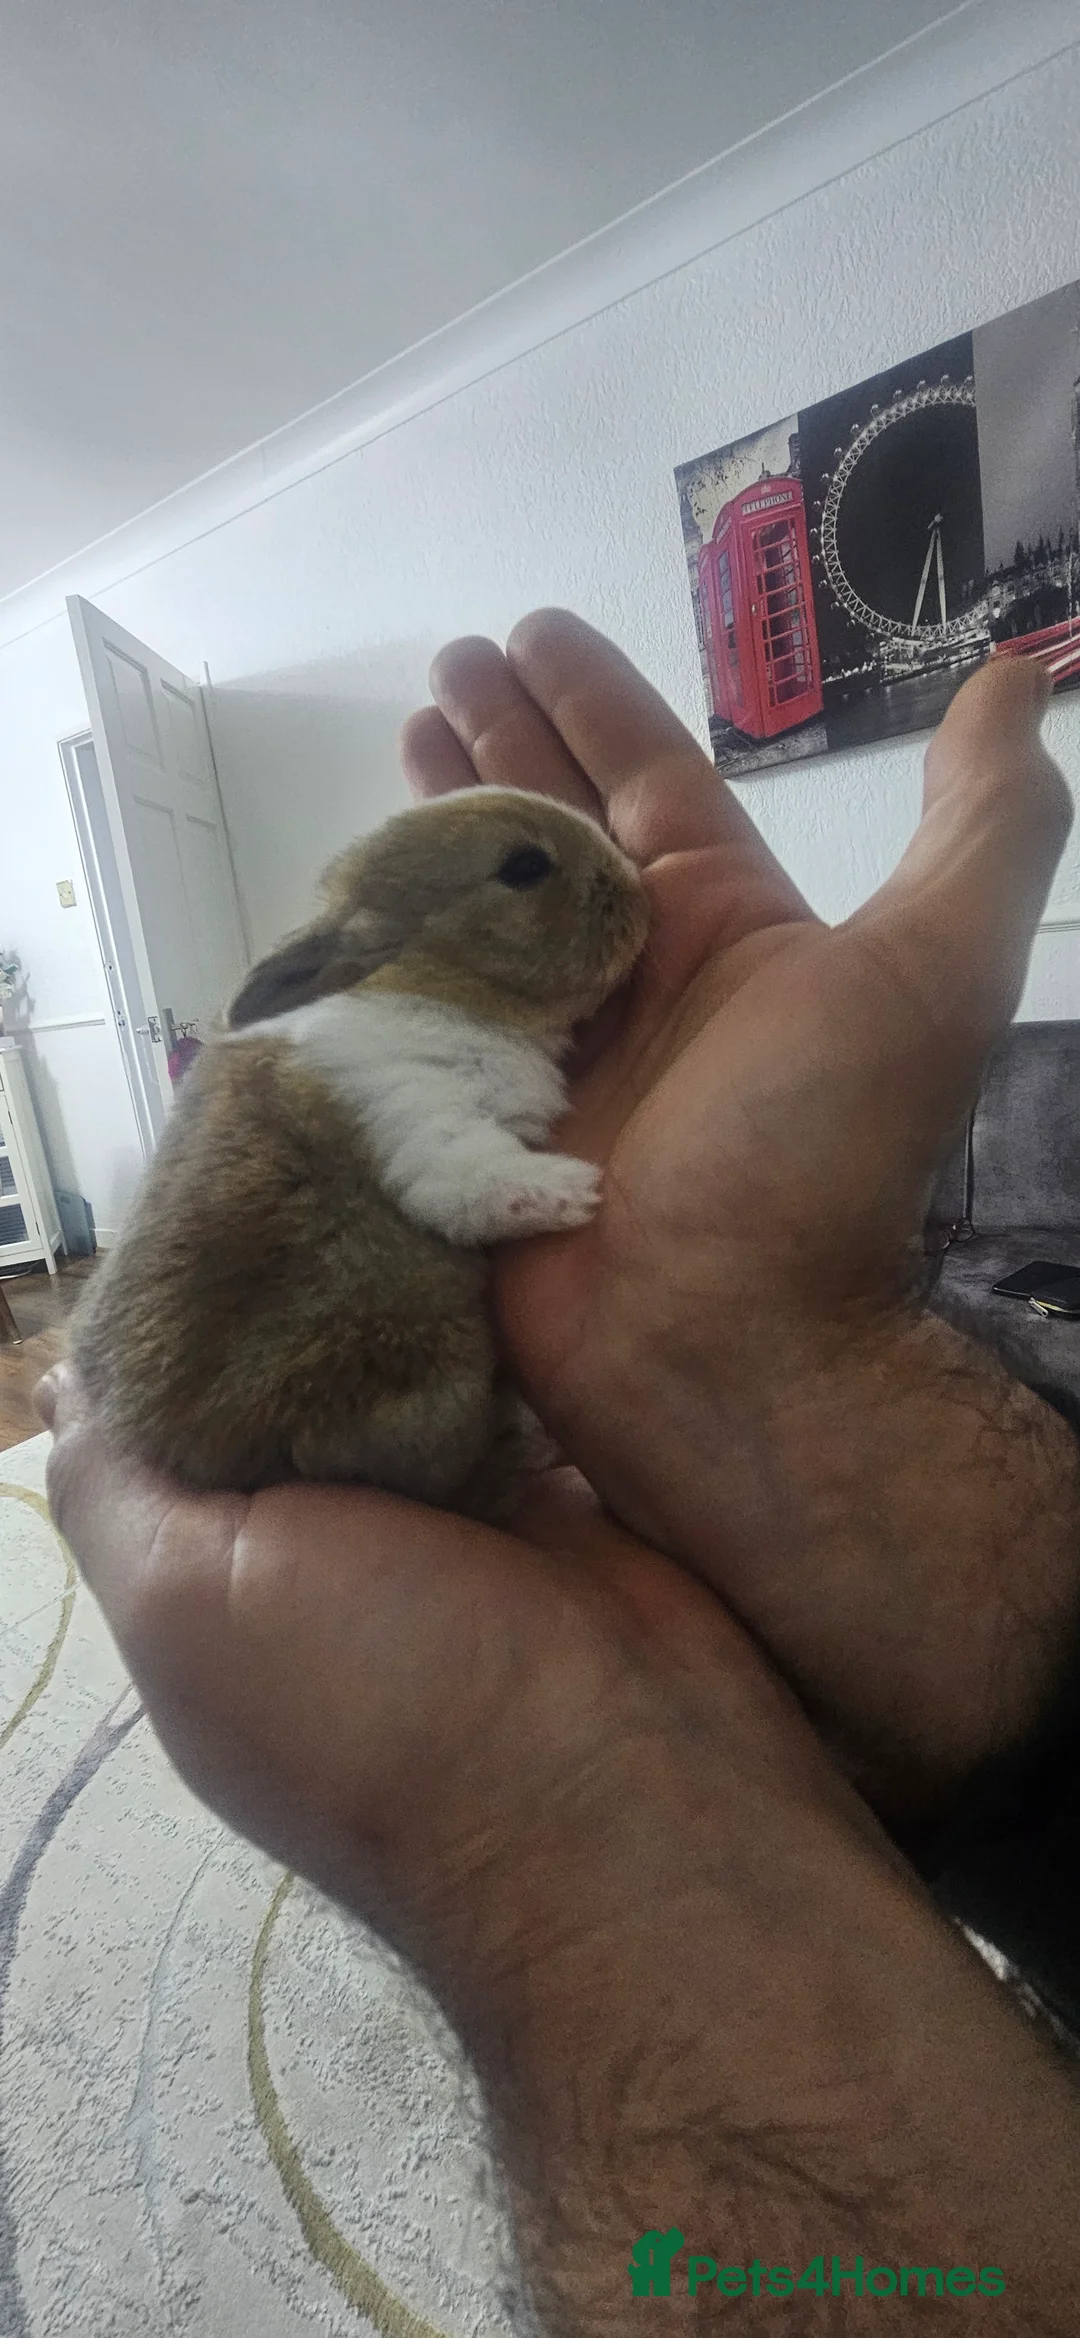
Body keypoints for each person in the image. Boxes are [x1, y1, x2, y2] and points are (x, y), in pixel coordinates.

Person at [37, 613, 1080, 2333]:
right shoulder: (372, 1045)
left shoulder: (355, 1047)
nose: (617, 909)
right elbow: (428, 1165)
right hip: (354, 1371)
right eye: (540, 877)